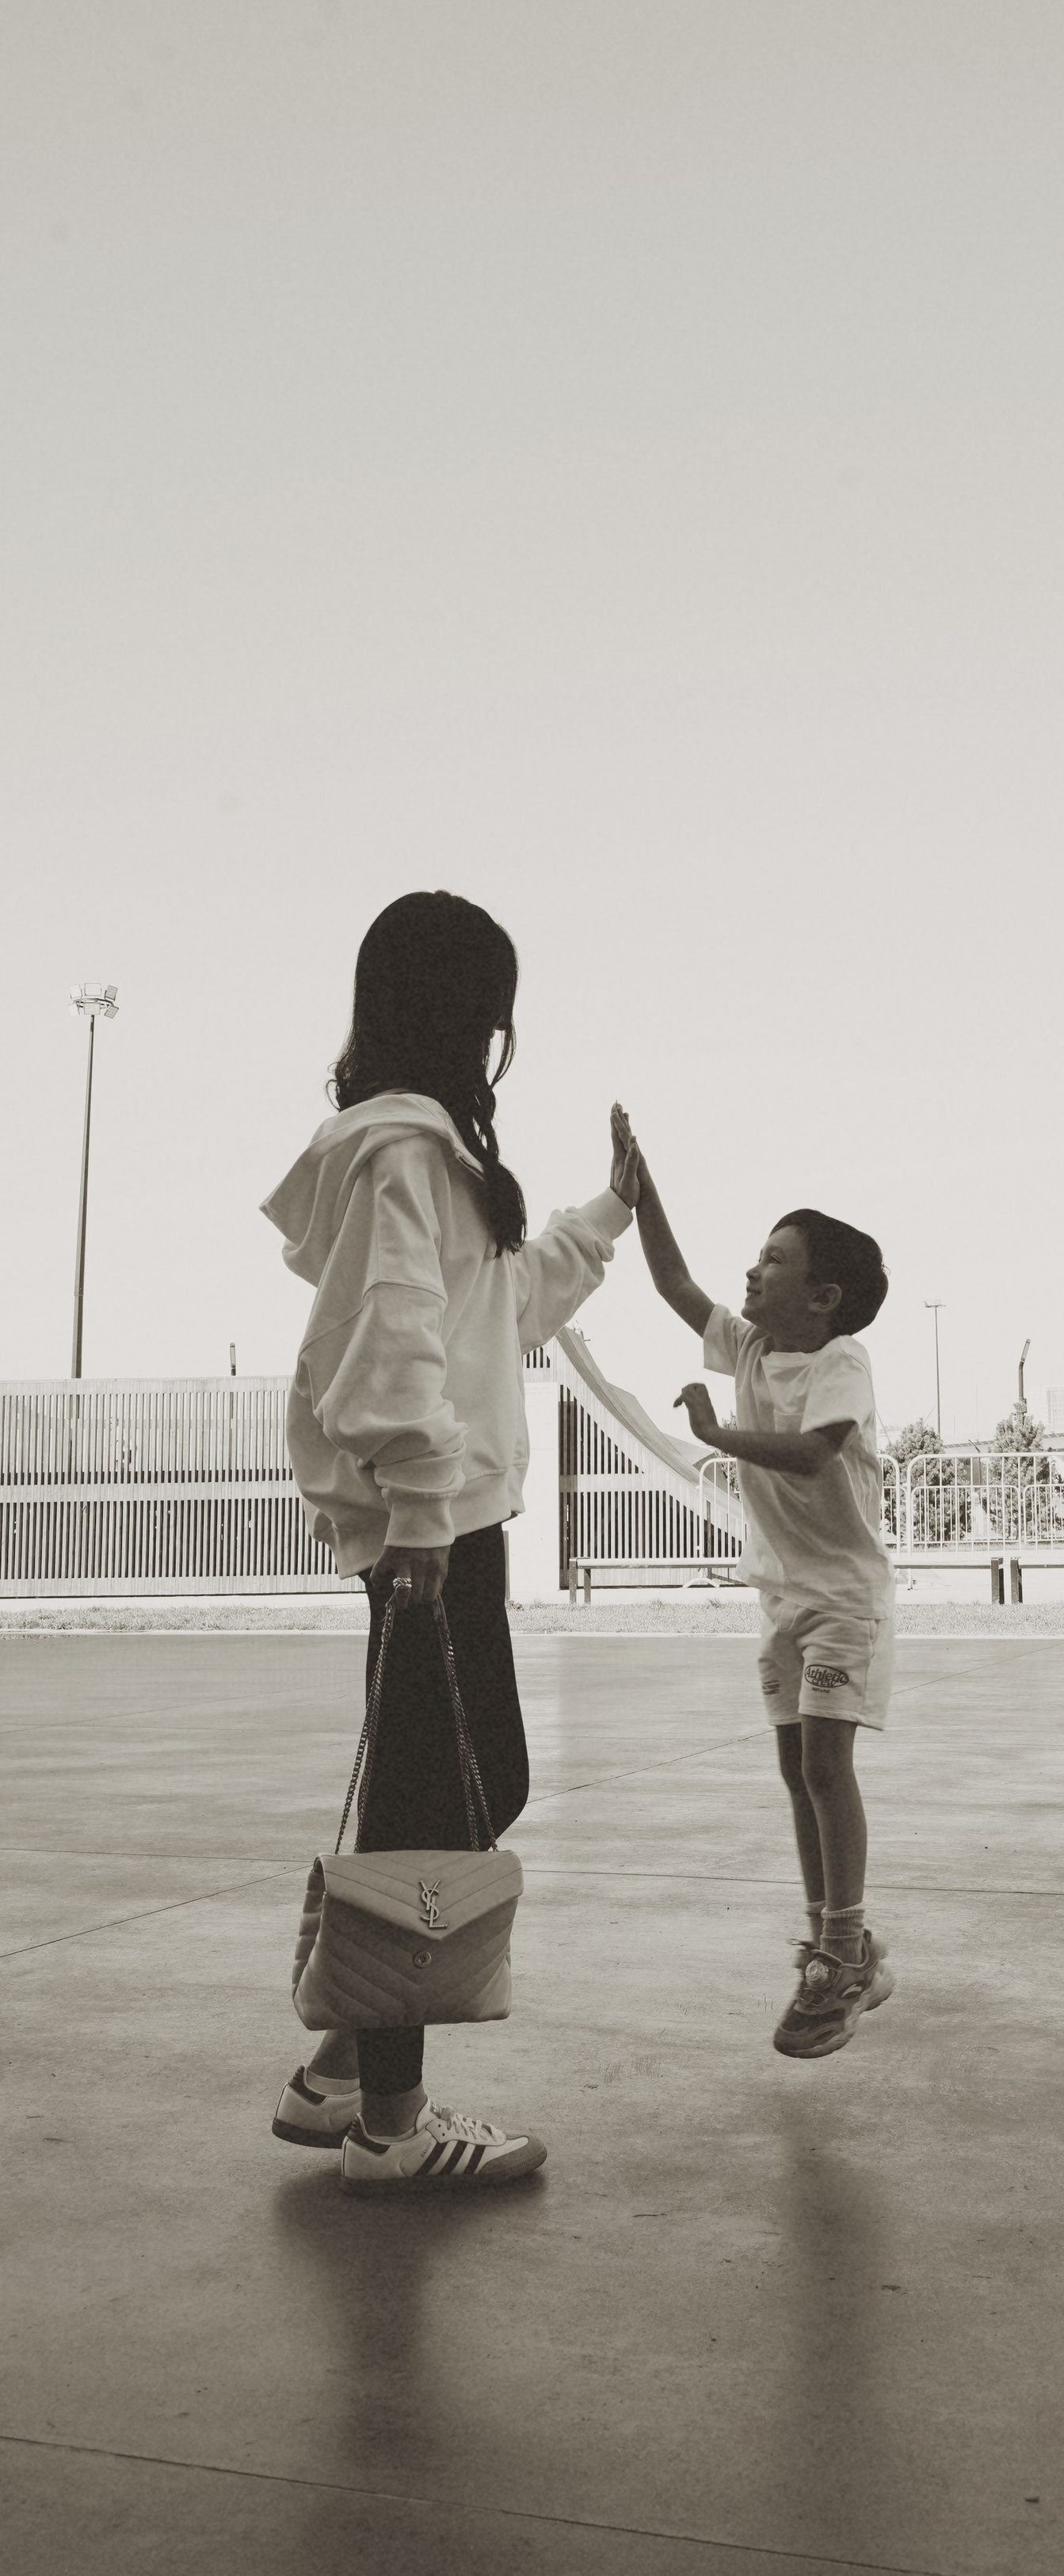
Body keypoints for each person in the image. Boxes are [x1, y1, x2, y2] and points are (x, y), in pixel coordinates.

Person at [263, 891, 639, 2190]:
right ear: (459, 1012)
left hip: (449, 1523)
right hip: (432, 1531)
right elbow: (389, 1340)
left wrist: (608, 1214)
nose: (498, 1035)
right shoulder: (403, 1152)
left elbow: (496, 1309)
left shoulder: (428, 1153)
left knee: (453, 1791)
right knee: (434, 1809)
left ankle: (339, 2073)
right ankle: (391, 2124)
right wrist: (422, 1511)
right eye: (490, 1008)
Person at [614, 1108, 894, 2059]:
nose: (753, 1268)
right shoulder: (745, 1347)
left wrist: (715, 1434)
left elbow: (815, 1453)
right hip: (780, 1596)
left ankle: (843, 1949)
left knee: (825, 1766)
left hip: (844, 1599)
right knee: (794, 1767)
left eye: (775, 1259)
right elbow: (673, 1280)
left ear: (823, 1295)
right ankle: (835, 1941)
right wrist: (640, 1188)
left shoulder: (840, 1360)